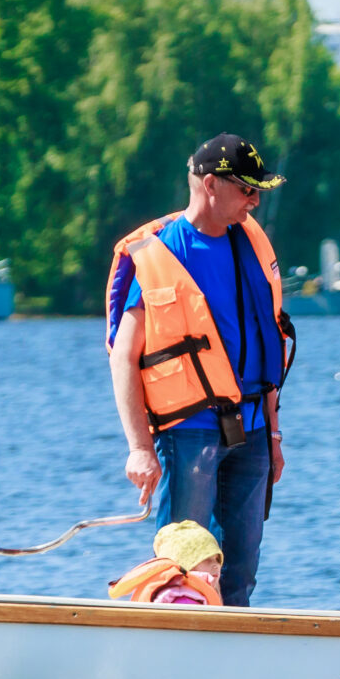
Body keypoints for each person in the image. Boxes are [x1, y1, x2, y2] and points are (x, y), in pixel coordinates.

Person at [105, 135, 296, 609]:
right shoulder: (160, 256)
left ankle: (230, 668)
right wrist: (139, 449)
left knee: (240, 572)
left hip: (251, 433)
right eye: (247, 189)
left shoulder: (251, 245)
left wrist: (273, 437)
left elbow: (269, 345)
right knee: (183, 572)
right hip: (187, 433)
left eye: (258, 191)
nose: (255, 200)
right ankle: (167, 659)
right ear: (210, 185)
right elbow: (124, 356)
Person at [109, 520, 226, 607]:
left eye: (217, 559)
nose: (216, 565)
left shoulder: (190, 592)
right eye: (207, 559)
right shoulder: (183, 597)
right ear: (186, 562)